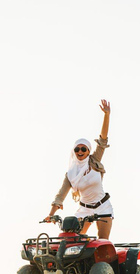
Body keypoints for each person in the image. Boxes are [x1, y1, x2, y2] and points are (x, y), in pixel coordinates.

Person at [43, 99, 113, 239]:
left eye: (83, 149)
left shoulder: (94, 161)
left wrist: (106, 115)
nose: (80, 151)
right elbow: (60, 196)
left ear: (88, 151)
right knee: (72, 241)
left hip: (102, 206)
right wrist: (51, 214)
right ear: (74, 151)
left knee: (103, 243)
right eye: (77, 149)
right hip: (84, 209)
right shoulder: (71, 173)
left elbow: (103, 140)